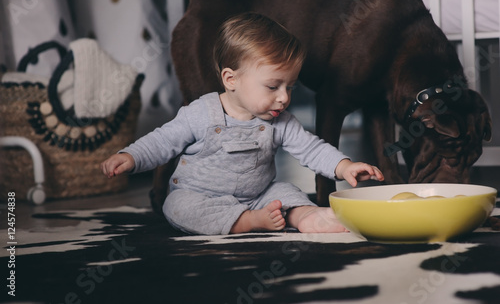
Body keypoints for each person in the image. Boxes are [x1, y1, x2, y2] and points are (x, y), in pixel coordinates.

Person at [100, 12, 384, 235]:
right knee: (178, 207)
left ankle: (308, 216)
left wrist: (344, 166)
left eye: (291, 87)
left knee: (286, 193)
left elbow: (311, 149)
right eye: (273, 87)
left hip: (260, 195)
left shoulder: (280, 122)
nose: (284, 98)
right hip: (201, 196)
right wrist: (132, 156)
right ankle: (247, 222)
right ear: (230, 79)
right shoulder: (200, 113)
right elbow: (163, 141)